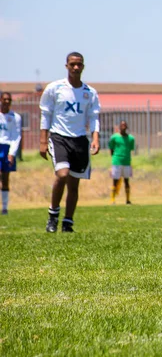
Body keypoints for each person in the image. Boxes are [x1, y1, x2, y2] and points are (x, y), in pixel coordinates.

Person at [39, 52, 101, 232]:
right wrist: (43, 141)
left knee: (74, 183)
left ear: (83, 66)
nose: (75, 67)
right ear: (66, 66)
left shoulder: (90, 93)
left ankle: (68, 222)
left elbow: (94, 117)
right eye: (72, 64)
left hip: (80, 140)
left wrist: (95, 138)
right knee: (62, 174)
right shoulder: (55, 88)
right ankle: (53, 215)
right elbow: (46, 114)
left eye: (79, 64)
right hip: (59, 138)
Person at [0, 92, 22, 215]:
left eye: (9, 99)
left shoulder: (15, 117)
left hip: (7, 148)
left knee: (5, 178)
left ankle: (4, 207)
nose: (7, 102)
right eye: (5, 99)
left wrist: (12, 153)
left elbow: (16, 136)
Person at [109, 120, 135, 205]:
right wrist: (115, 157)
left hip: (126, 161)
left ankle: (128, 200)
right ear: (119, 127)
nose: (123, 127)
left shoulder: (131, 138)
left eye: (125, 125)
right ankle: (112, 200)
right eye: (122, 125)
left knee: (126, 181)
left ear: (126, 127)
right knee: (115, 181)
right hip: (117, 161)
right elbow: (111, 149)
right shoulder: (114, 137)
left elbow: (130, 149)